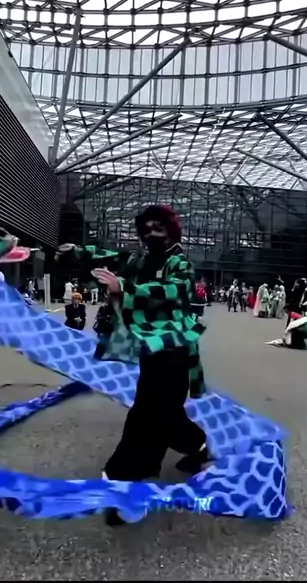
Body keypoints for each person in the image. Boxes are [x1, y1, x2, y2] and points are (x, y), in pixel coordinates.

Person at [56, 204, 208, 526]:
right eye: (146, 228)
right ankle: (199, 445)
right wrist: (76, 251)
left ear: (171, 230)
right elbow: (109, 256)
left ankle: (125, 481)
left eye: (158, 227)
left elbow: (173, 290)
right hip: (150, 351)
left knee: (147, 415)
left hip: (174, 350)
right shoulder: (139, 260)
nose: (151, 233)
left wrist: (124, 288)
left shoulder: (179, 262)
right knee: (165, 414)